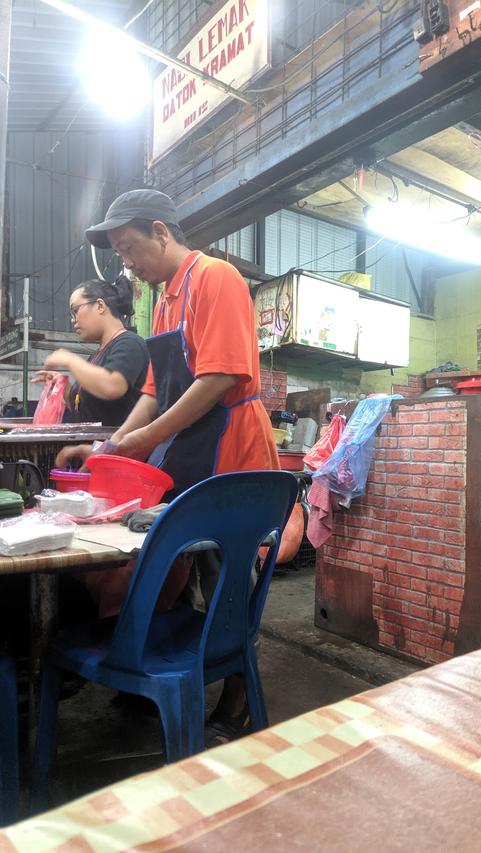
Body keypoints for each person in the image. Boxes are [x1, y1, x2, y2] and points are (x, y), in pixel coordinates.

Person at [56, 189, 289, 741]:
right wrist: (117, 443)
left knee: (229, 567)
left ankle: (238, 695)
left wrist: (149, 438)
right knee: (180, 557)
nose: (128, 264)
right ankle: (173, 669)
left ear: (162, 232)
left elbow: (221, 376)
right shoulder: (160, 302)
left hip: (231, 440)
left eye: (131, 247)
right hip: (189, 442)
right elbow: (157, 391)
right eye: (119, 253)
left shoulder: (215, 278)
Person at [33, 277, 149, 428]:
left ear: (100, 306)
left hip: (118, 449)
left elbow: (112, 387)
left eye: (76, 311)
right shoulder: (95, 357)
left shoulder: (130, 344)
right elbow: (85, 411)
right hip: (95, 446)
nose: (73, 320)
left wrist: (70, 360)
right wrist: (64, 387)